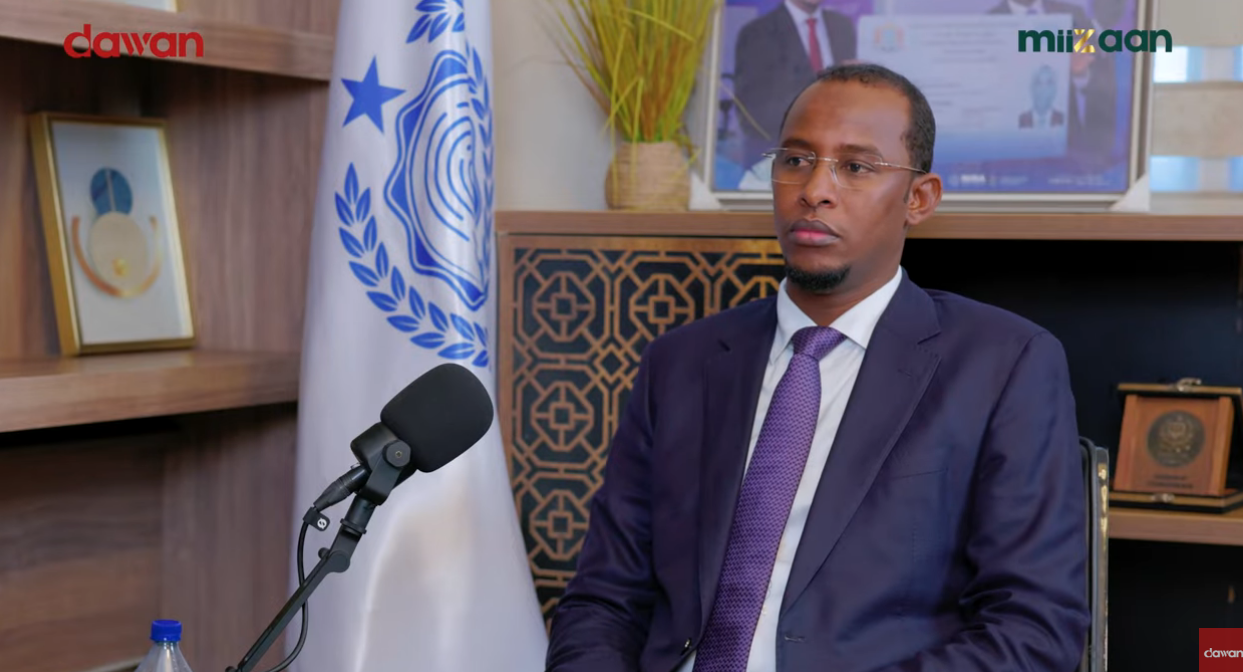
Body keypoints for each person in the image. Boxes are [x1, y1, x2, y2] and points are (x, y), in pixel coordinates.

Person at [544, 62, 1089, 672]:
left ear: (918, 198)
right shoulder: (681, 363)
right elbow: (603, 601)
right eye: (796, 160)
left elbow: (1033, 629)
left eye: (856, 167)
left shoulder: (1002, 365)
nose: (815, 189)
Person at [732, 1, 857, 170]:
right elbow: (755, 114)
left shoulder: (842, 26)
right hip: (780, 161)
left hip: (835, 161)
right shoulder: (758, 33)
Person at [989, 0, 1117, 158]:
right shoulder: (988, 23)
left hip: (1071, 152)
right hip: (1009, 150)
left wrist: (1081, 74)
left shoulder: (1074, 16)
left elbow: (1103, 81)